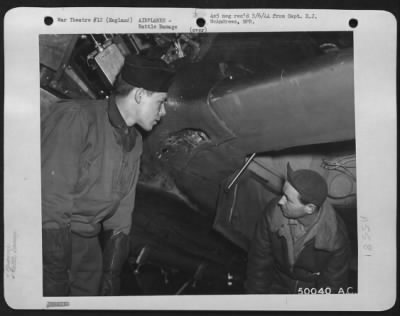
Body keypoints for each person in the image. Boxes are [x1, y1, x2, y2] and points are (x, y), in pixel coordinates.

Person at [41, 54, 174, 296]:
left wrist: (111, 274)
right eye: (161, 102)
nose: (163, 112)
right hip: (48, 243)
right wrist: (54, 275)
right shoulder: (77, 117)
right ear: (140, 95)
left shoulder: (134, 142)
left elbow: (121, 214)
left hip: (88, 252)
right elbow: (51, 202)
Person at [245, 163, 351, 294]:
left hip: (311, 289)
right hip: (276, 280)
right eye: (283, 194)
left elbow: (333, 286)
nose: (280, 201)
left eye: (288, 199)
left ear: (309, 208)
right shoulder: (273, 213)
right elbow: (259, 264)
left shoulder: (336, 237)